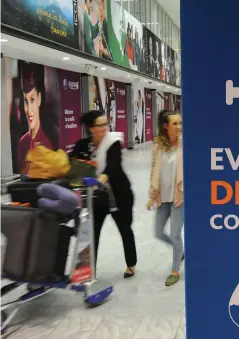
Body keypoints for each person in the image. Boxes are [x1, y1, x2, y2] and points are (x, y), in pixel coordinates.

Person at [71, 110, 137, 278]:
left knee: (125, 229)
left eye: (105, 124)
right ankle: (88, 269)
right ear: (90, 128)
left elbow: (113, 165)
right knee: (92, 233)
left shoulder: (113, 143)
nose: (104, 128)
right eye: (100, 125)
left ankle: (131, 264)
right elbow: (72, 164)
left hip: (119, 195)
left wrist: (101, 178)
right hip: (96, 198)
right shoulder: (82, 145)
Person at [147, 110, 184, 286]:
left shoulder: (185, 144)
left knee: (176, 234)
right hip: (163, 197)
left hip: (179, 197)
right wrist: (152, 196)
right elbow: (154, 171)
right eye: (175, 123)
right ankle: (180, 250)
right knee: (158, 232)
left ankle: (175, 270)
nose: (179, 127)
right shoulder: (158, 146)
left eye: (180, 123)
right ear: (165, 126)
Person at [18, 62, 54, 175]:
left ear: (39, 98)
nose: (28, 110)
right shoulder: (22, 142)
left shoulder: (47, 143)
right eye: (25, 101)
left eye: (32, 100)